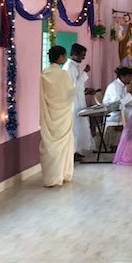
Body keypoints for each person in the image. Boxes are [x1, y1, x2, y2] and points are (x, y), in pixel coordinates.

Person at [39, 45, 77, 188]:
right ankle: (63, 174)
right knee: (64, 145)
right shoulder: (63, 74)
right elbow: (69, 94)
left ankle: (51, 177)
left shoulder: (44, 74)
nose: (65, 58)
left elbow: (43, 96)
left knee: (50, 145)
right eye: (64, 55)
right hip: (63, 115)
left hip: (49, 114)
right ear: (60, 57)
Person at [63, 43, 94, 160]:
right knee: (74, 128)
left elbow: (78, 85)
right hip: (72, 103)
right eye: (82, 55)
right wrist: (85, 73)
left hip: (79, 101)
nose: (83, 57)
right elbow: (72, 87)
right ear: (75, 54)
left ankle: (77, 150)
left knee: (80, 127)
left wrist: (85, 91)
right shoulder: (68, 67)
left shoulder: (75, 66)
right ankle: (72, 153)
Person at [102, 66, 132, 149]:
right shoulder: (114, 86)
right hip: (113, 114)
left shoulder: (122, 86)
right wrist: (129, 93)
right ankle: (129, 142)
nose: (131, 79)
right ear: (122, 77)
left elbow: (125, 102)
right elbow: (117, 105)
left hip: (121, 112)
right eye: (129, 76)